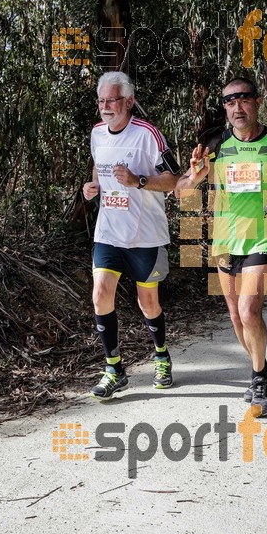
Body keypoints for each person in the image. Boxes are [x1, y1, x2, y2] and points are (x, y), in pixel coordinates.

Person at [175, 77, 267, 416]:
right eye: (229, 101)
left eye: (243, 99)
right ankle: (265, 368)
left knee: (248, 310)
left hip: (263, 236)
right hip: (225, 240)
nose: (236, 107)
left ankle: (257, 378)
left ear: (257, 102)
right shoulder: (213, 143)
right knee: (235, 318)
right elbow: (182, 191)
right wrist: (195, 177)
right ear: (224, 108)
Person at [83, 71, 180, 400]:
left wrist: (138, 180)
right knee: (100, 296)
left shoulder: (148, 134)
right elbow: (99, 165)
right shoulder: (97, 133)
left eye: (111, 100)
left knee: (147, 302)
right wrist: (92, 186)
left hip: (145, 236)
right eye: (101, 101)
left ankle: (162, 355)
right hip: (108, 232)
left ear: (129, 101)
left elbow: (174, 180)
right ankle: (114, 369)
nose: (105, 106)